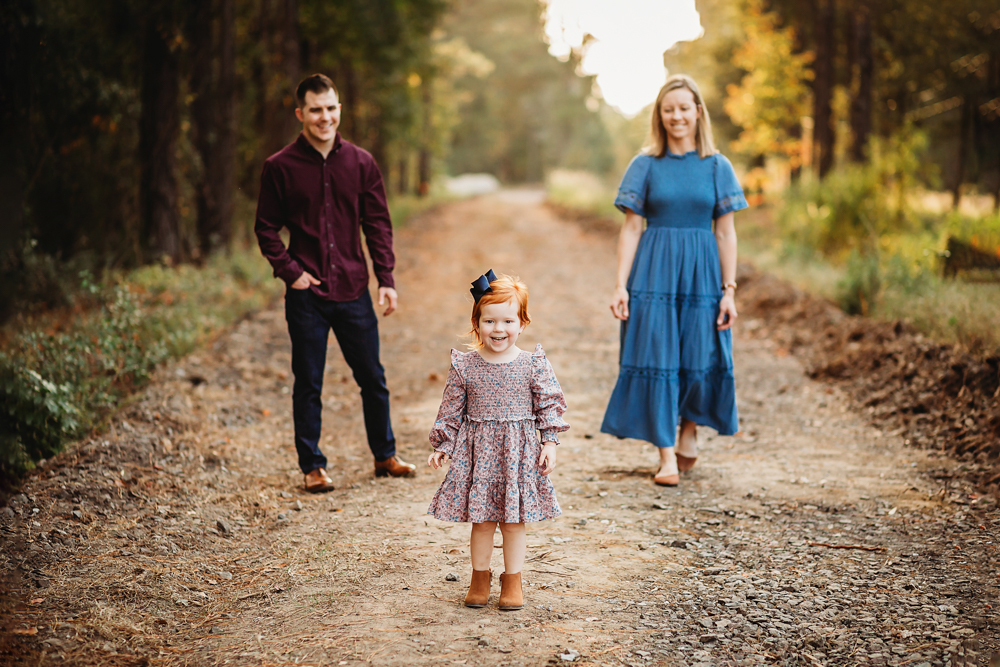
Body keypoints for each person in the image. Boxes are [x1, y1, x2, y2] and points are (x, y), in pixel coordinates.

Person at [255, 73, 416, 493]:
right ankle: (312, 466)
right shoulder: (280, 167)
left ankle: (385, 456)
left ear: (339, 109)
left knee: (372, 377)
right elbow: (266, 229)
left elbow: (377, 224)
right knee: (308, 382)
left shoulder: (361, 163)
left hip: (353, 290)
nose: (324, 117)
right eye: (315, 110)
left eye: (331, 108)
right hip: (306, 294)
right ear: (300, 114)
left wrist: (386, 278)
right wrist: (292, 273)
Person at [601, 74, 748, 487]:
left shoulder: (717, 166)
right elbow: (631, 229)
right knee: (658, 356)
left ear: (698, 111)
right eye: (668, 110)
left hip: (703, 276)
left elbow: (726, 233)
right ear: (659, 116)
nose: (676, 117)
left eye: (684, 108)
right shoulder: (644, 165)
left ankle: (688, 429)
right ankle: (666, 454)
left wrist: (729, 291)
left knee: (700, 357)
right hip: (654, 273)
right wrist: (620, 284)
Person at [426, 271, 568, 611]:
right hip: (479, 455)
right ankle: (479, 577)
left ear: (522, 323)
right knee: (483, 520)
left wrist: (549, 442)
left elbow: (549, 403)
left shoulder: (532, 363)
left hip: (518, 454)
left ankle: (512, 579)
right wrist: (442, 444)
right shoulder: (466, 366)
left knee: (514, 522)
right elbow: (451, 409)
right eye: (489, 320)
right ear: (476, 322)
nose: (498, 329)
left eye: (507, 320)